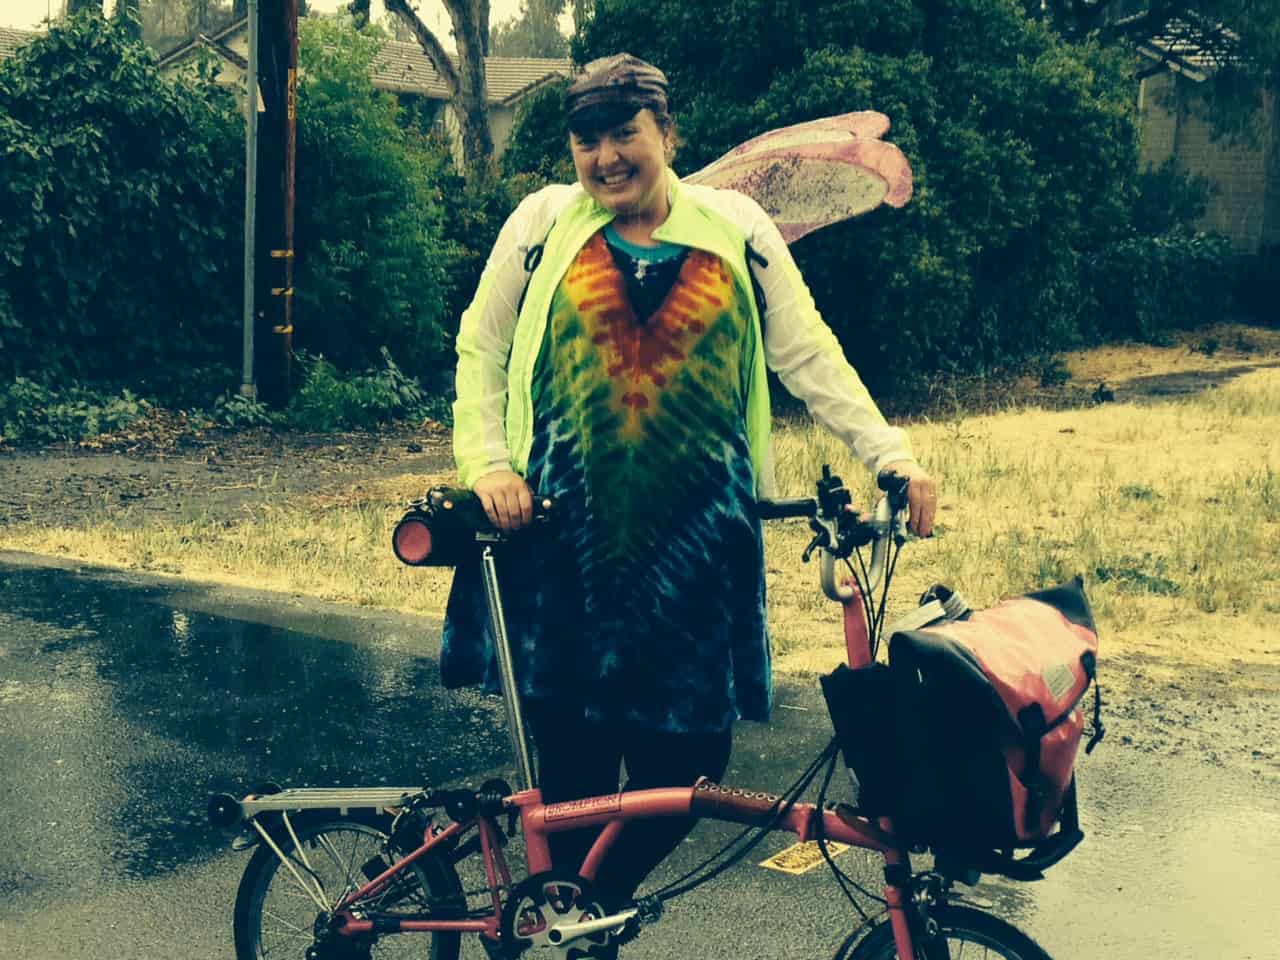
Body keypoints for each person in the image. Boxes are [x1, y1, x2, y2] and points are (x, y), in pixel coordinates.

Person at [442, 53, 938, 906]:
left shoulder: (737, 228)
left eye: (624, 133)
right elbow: (480, 346)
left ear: (667, 134)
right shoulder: (542, 224)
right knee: (575, 790)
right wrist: (487, 463)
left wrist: (889, 452)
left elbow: (808, 353)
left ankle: (586, 912)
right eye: (587, 140)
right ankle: (576, 927)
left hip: (695, 561)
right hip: (563, 555)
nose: (606, 157)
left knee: (690, 773)